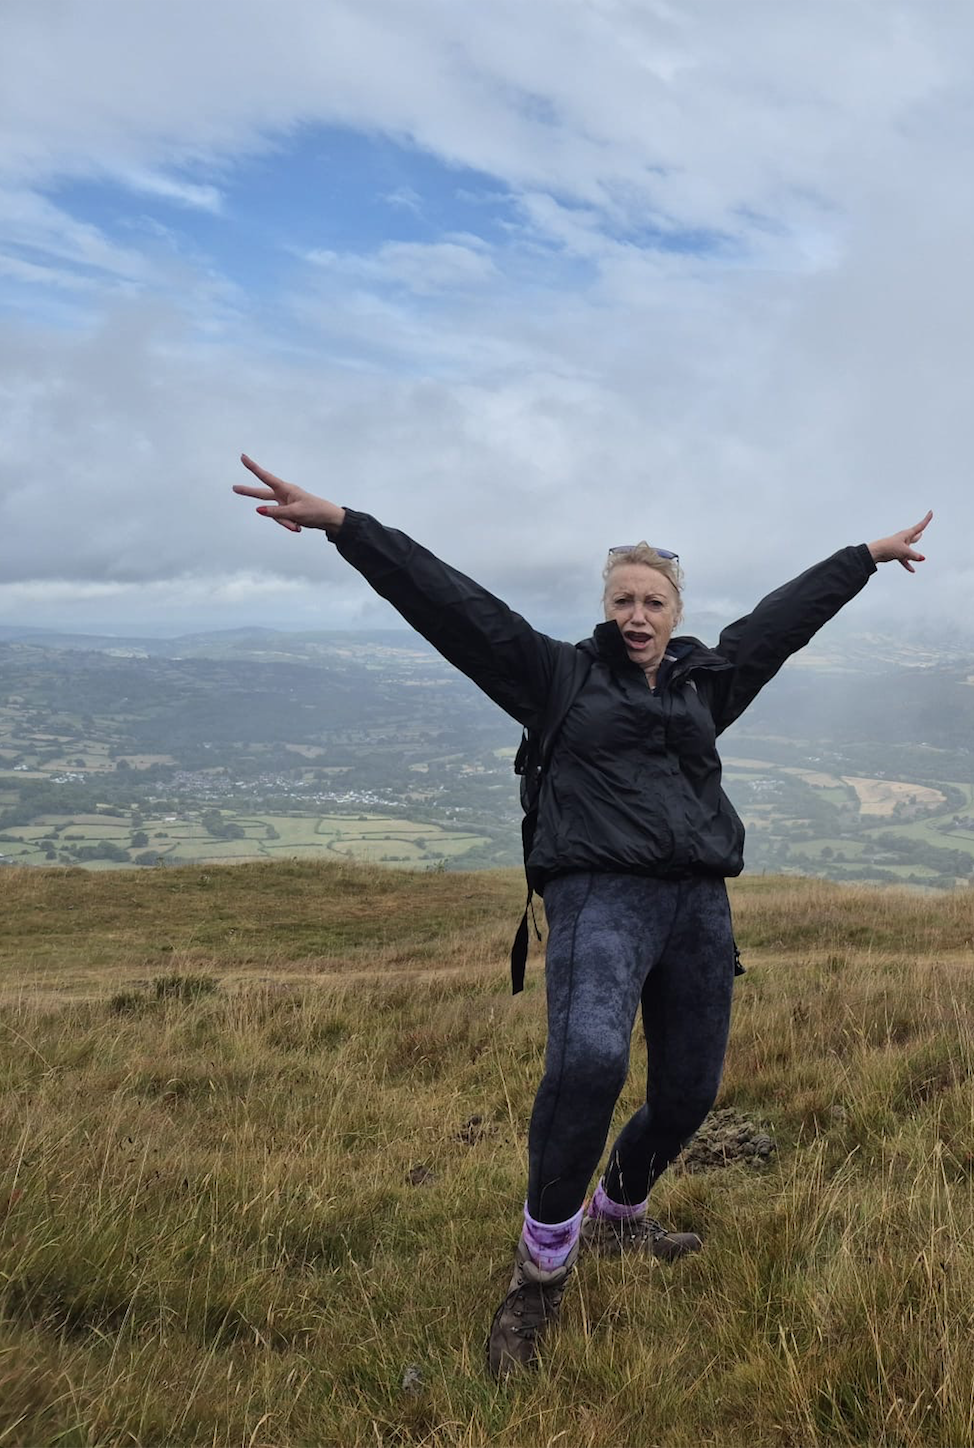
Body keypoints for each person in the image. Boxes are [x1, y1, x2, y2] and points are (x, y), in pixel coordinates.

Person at [232, 454, 931, 1376]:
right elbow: (457, 608)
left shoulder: (705, 683)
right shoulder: (555, 677)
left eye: (653, 602)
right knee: (591, 1063)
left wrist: (865, 556)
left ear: (675, 614)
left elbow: (779, 625)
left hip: (698, 906)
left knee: (688, 1095)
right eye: (623, 601)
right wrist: (347, 526)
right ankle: (537, 1280)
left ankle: (618, 1219)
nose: (637, 616)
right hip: (598, 895)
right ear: (607, 608)